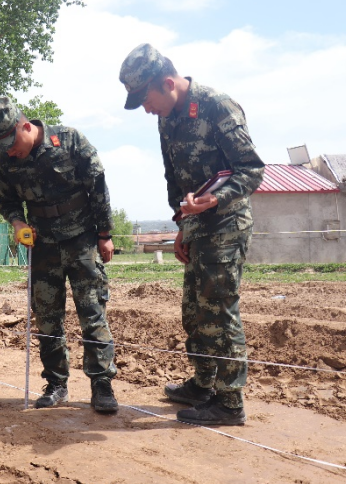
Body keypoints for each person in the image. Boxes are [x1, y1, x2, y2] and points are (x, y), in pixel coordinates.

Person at [119, 43, 265, 425]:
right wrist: (182, 224)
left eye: (146, 100)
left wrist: (213, 204)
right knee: (193, 311)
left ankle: (230, 402)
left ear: (167, 83)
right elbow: (174, 178)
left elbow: (251, 170)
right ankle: (203, 383)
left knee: (218, 309)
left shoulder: (218, 106)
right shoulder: (166, 118)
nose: (146, 109)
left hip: (226, 224)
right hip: (196, 226)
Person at [0, 96, 119, 414]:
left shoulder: (69, 140)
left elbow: (98, 185)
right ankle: (57, 384)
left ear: (25, 126)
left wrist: (105, 234)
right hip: (41, 244)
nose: (8, 151)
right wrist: (16, 222)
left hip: (82, 240)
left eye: (11, 143)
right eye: (1, 147)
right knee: (47, 318)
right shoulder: (5, 160)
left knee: (92, 313)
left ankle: (101, 385)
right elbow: (5, 200)